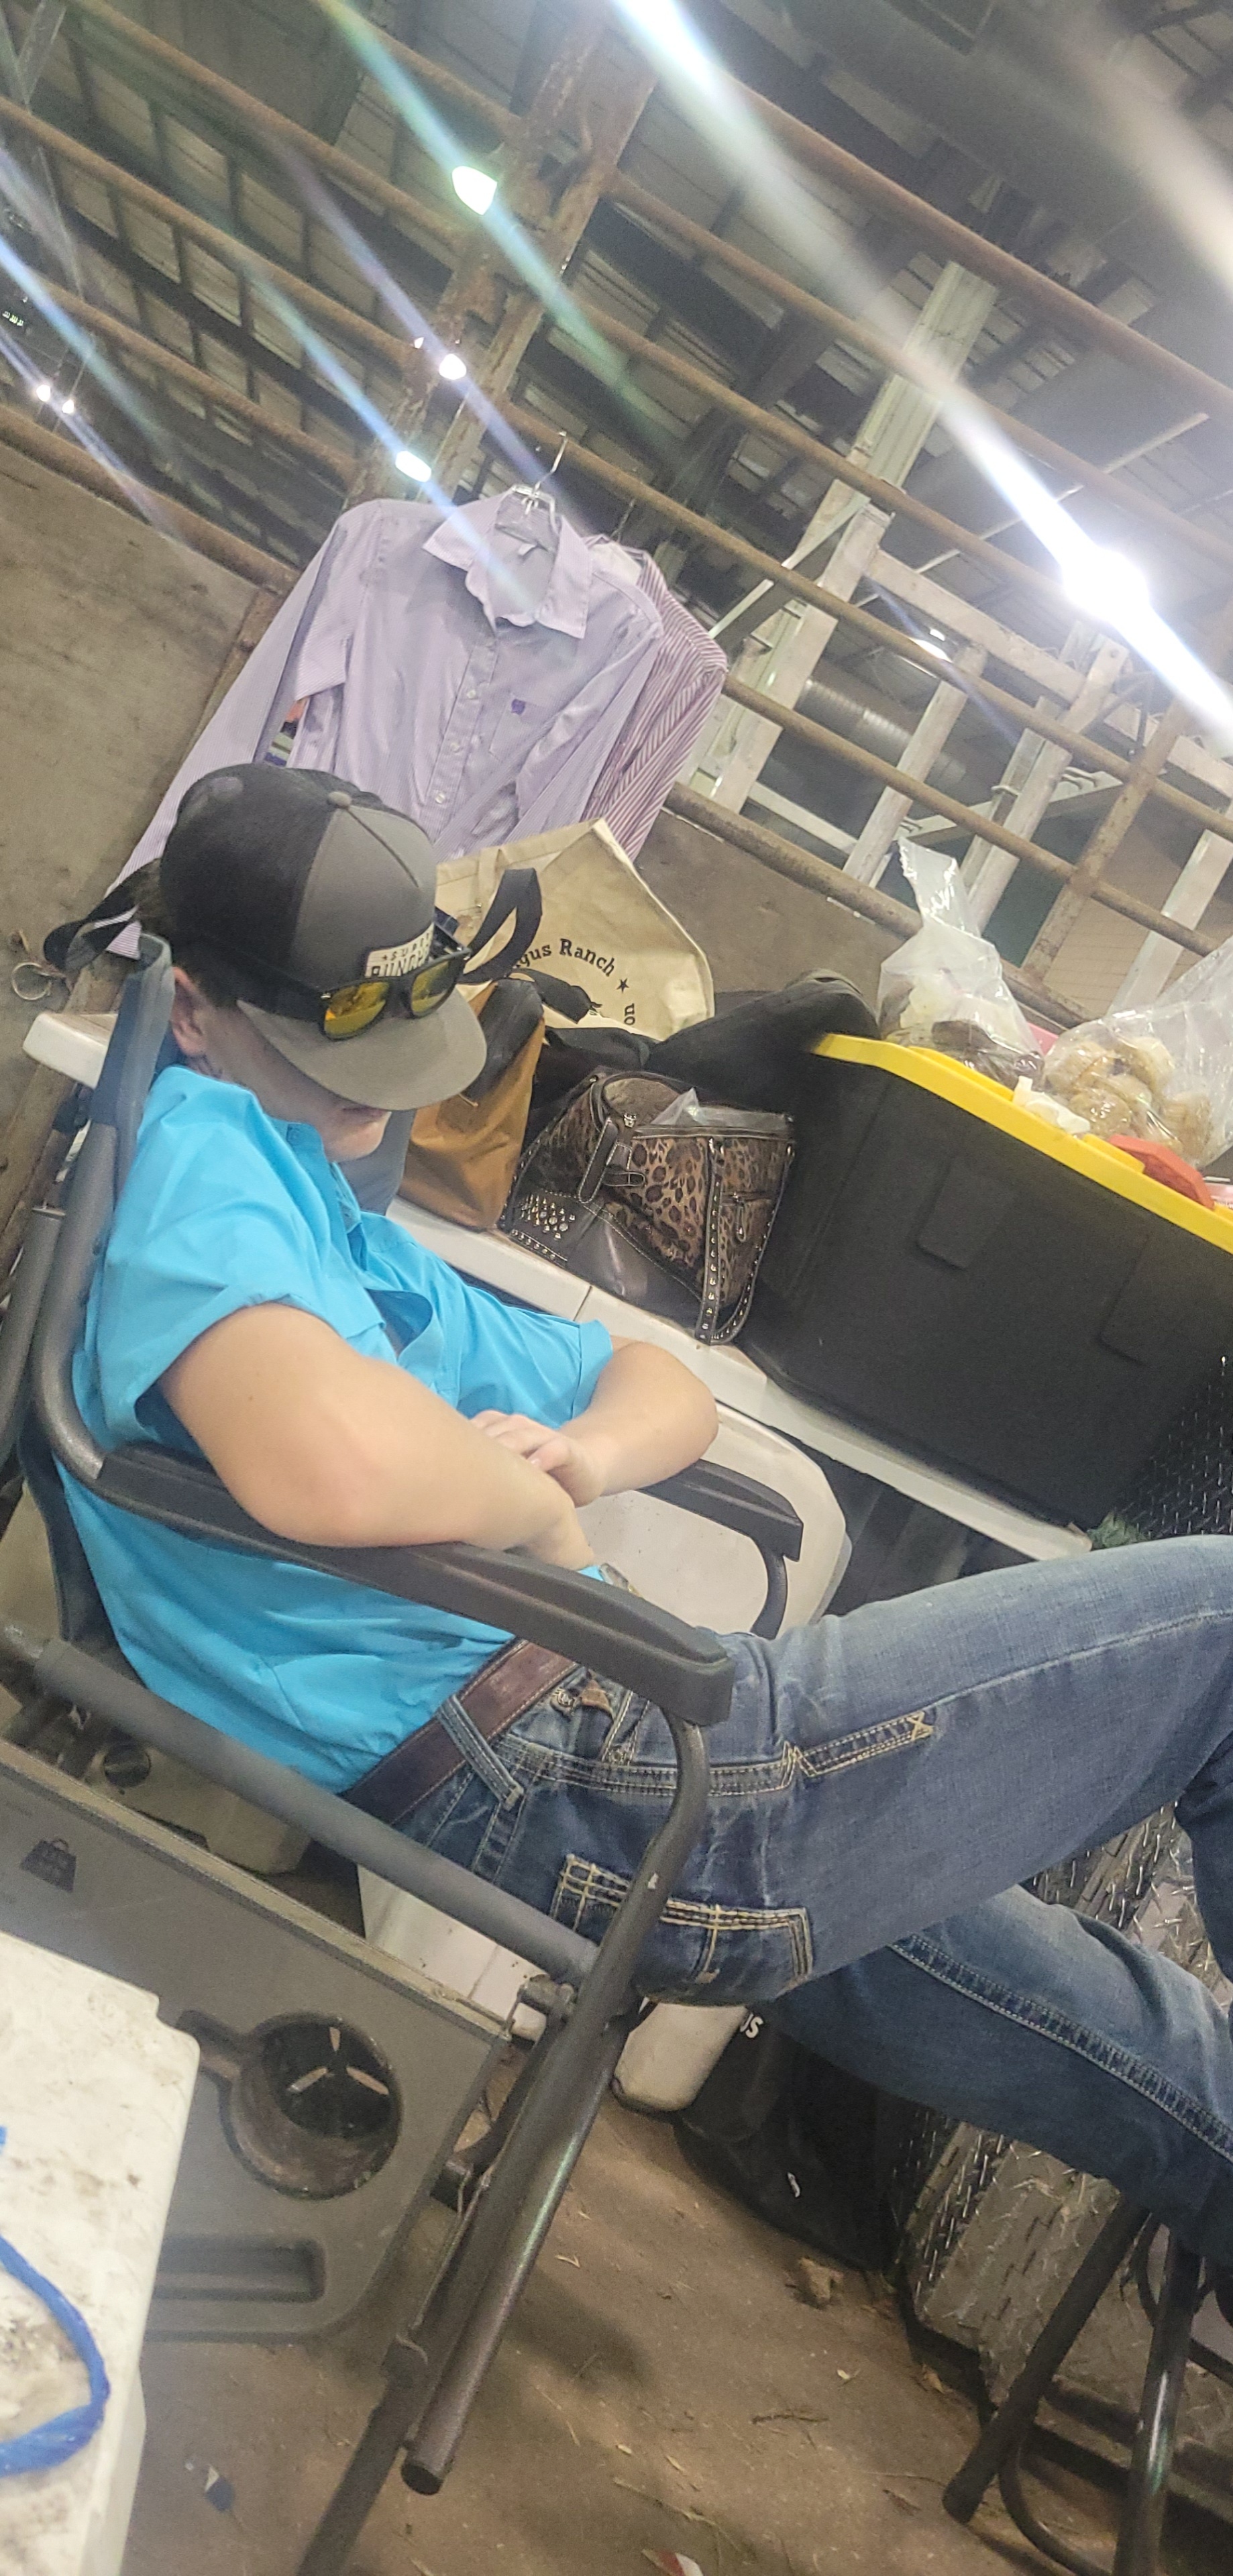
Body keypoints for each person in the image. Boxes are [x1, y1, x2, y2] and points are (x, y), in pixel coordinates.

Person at [64, 761, 1233, 2288]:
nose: (372, 1096)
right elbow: (324, 1469)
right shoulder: (206, 1157)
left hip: (611, 1749)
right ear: (195, 1008)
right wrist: (539, 1519)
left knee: (1175, 2072)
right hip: (577, 1773)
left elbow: (659, 1383)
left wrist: (578, 1455)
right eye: (326, 1054)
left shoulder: (324, 1209)